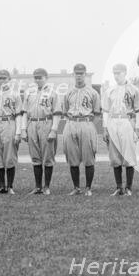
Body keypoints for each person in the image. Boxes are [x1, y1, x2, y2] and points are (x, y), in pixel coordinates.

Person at [102, 64, 139, 196]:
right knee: (115, 156)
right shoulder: (109, 90)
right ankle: (119, 187)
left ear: (125, 73)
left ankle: (129, 187)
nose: (116, 75)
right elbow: (105, 111)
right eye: (114, 73)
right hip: (113, 121)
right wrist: (105, 129)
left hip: (127, 121)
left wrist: (137, 129)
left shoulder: (134, 89)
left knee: (128, 155)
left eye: (119, 73)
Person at [62, 63, 101, 196]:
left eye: (81, 73)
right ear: (73, 74)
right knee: (72, 157)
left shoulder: (93, 92)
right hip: (71, 122)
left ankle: (88, 188)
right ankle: (76, 187)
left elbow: (96, 113)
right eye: (77, 73)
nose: (79, 76)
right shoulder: (68, 92)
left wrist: (90, 127)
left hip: (86, 122)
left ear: (85, 74)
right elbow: (65, 111)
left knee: (89, 158)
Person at [21, 68, 62, 195]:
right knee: (35, 157)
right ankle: (38, 186)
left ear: (46, 78)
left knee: (48, 156)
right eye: (36, 77)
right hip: (32, 123)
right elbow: (24, 112)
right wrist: (23, 129)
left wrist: (54, 130)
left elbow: (57, 113)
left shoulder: (53, 92)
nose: (38, 79)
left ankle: (46, 187)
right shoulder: (29, 92)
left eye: (40, 77)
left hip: (46, 122)